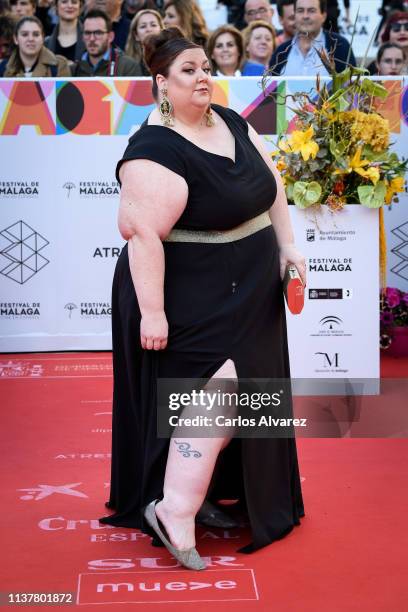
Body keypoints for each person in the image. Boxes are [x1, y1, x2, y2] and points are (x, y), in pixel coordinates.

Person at [99, 26, 305, 570]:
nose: (202, 78)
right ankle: (176, 509)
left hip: (251, 289)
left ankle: (213, 496)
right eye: (188, 71)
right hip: (186, 292)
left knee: (248, 395)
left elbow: (273, 187)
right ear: (160, 85)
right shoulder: (154, 148)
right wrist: (153, 312)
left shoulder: (232, 122)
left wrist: (287, 248)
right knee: (218, 393)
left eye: (206, 68)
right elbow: (143, 235)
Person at [269, 0, 356, 75]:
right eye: (300, 11)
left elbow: (353, 89)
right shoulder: (280, 52)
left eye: (311, 11)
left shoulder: (340, 47)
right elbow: (270, 91)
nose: (305, 16)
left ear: (323, 16)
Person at [71, 8, 143, 75]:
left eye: (98, 33)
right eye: (87, 33)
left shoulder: (128, 67)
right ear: (82, 37)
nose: (92, 38)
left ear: (110, 37)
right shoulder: (74, 69)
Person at [1, 15, 71, 75]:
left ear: (43, 38)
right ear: (16, 39)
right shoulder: (3, 68)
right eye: (24, 34)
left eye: (36, 34)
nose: (31, 39)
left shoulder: (59, 66)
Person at [124, 7, 163, 72]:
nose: (149, 30)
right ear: (136, 35)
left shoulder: (172, 58)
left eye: (153, 25)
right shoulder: (126, 64)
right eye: (143, 26)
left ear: (161, 30)